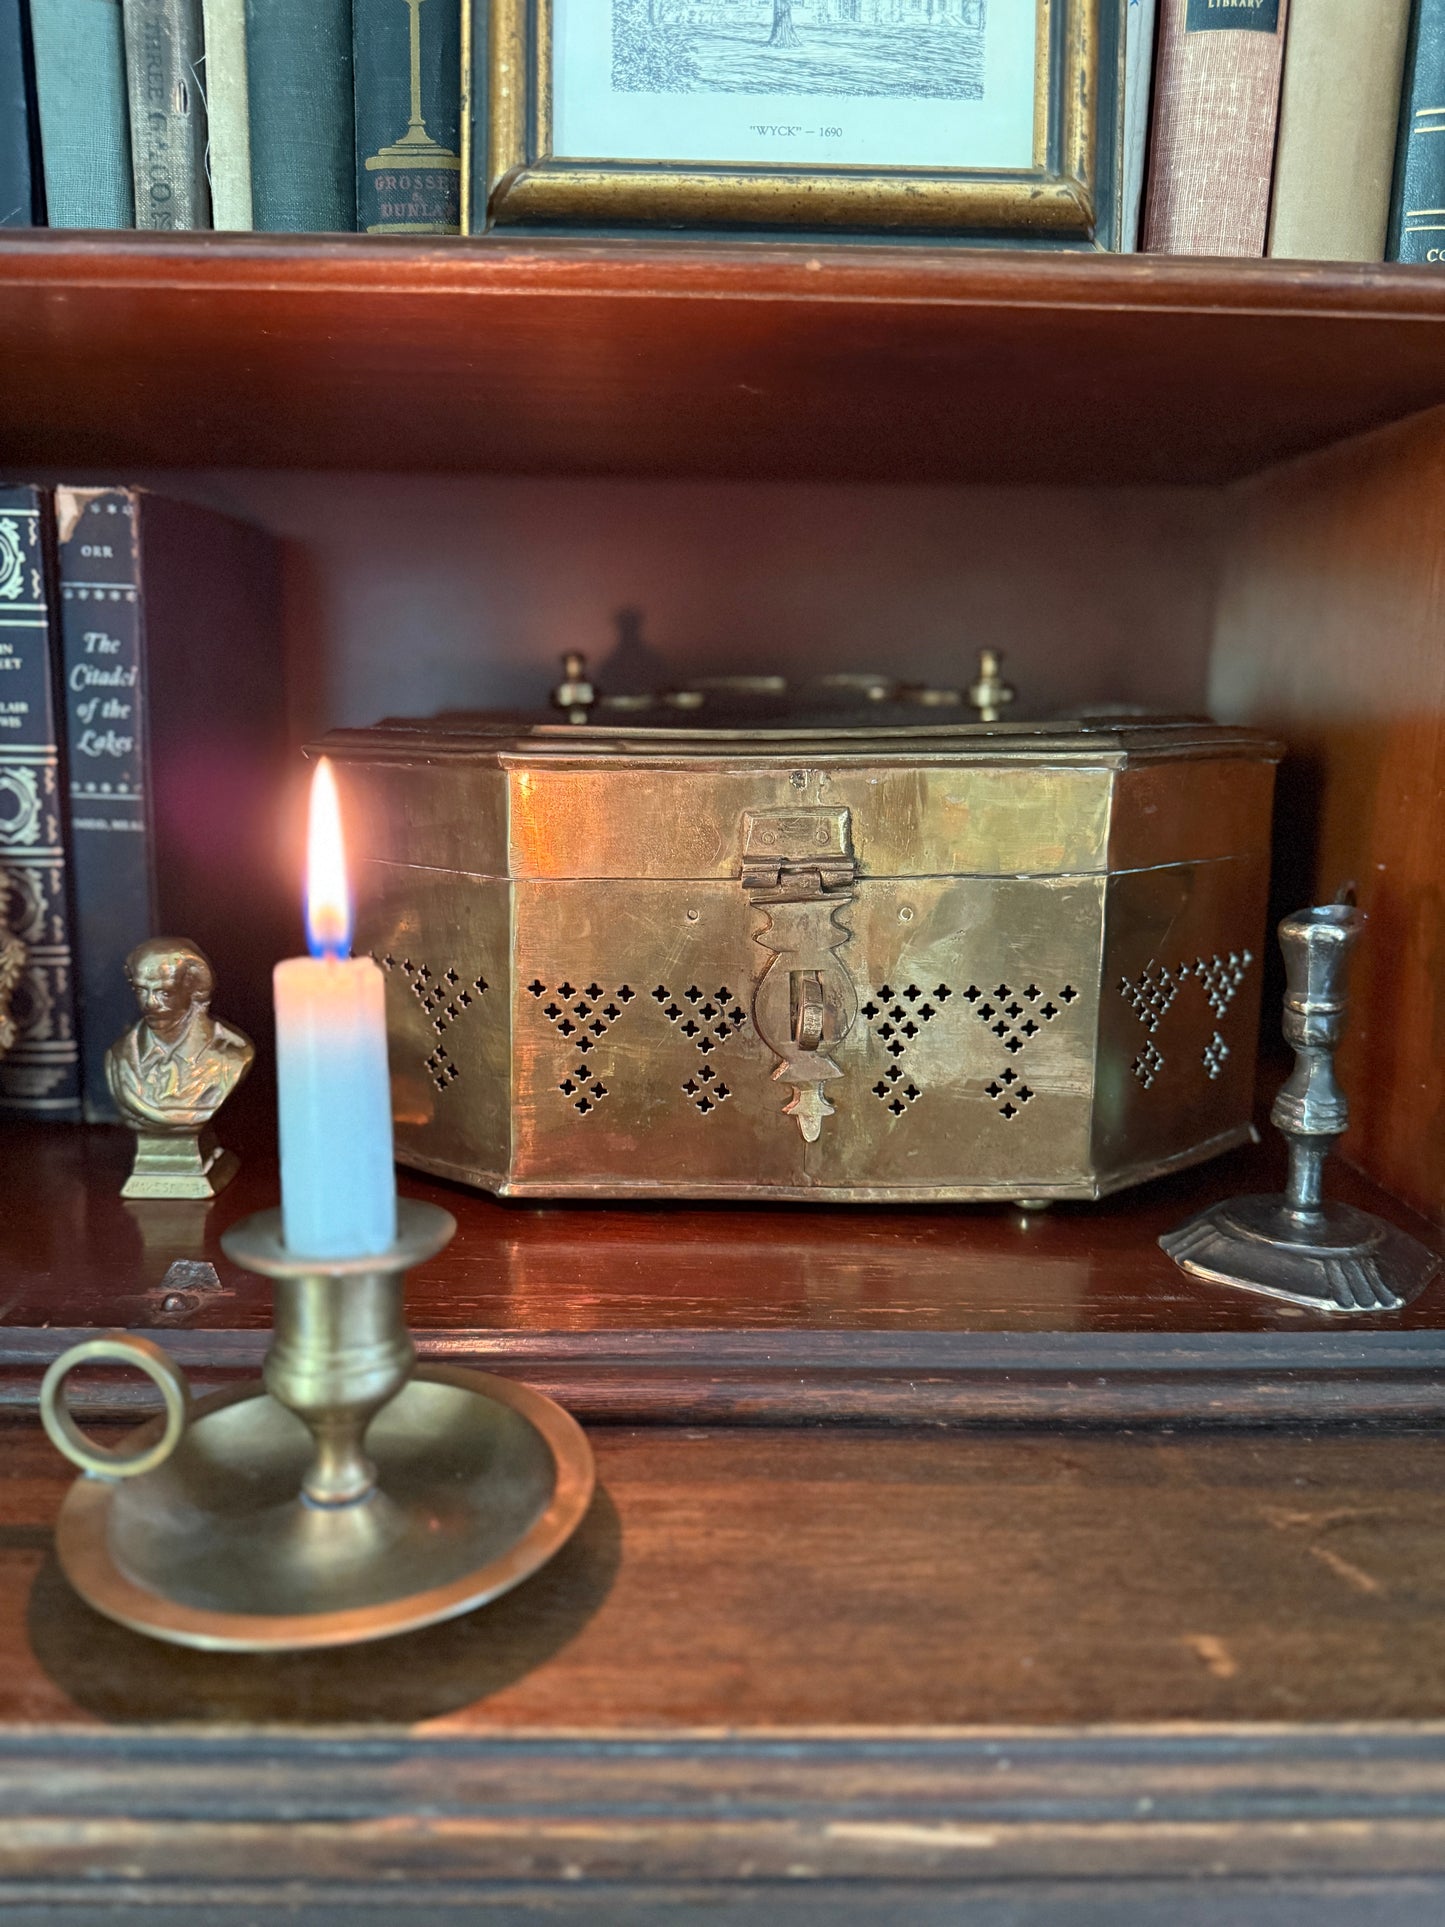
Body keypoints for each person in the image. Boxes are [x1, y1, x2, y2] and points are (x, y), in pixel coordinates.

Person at [105, 937, 253, 1132]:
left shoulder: (231, 1056)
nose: (150, 1003)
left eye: (164, 992)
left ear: (192, 990)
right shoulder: (119, 1057)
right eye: (141, 990)